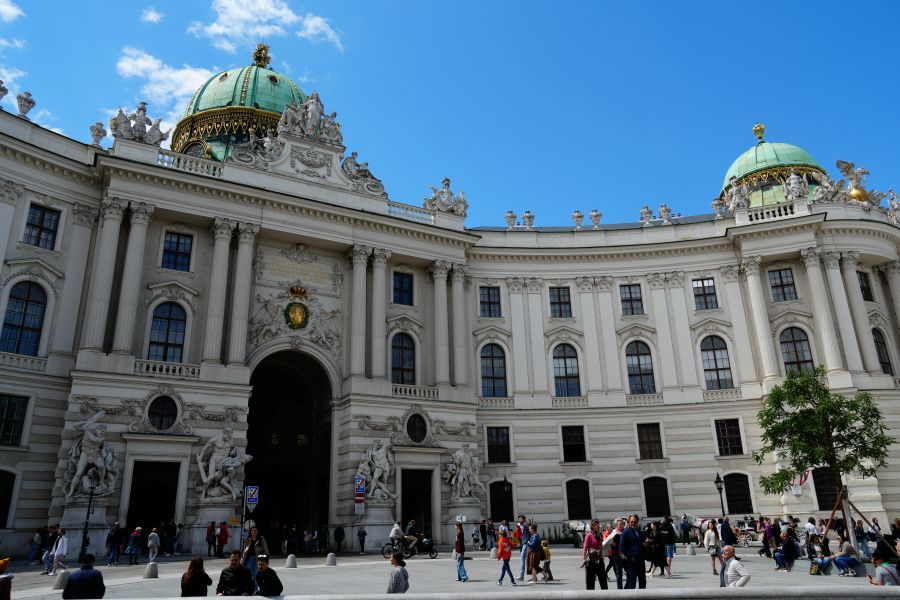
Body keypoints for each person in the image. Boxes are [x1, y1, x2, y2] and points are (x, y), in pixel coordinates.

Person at [621, 514, 646, 589]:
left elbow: (640, 545)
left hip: (640, 561)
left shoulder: (639, 532)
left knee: (642, 581)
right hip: (631, 561)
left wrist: (645, 544)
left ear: (637, 522)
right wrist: (629, 556)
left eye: (635, 522)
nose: (633, 523)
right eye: (631, 521)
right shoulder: (626, 532)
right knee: (631, 582)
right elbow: (622, 547)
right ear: (629, 522)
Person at [242, 526, 269, 591]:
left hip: (258, 560)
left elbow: (265, 549)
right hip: (249, 560)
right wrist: (243, 560)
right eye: (252, 531)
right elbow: (245, 551)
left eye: (255, 531)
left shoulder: (261, 538)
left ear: (257, 532)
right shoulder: (248, 540)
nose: (254, 532)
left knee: (256, 576)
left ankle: (256, 591)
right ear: (250, 532)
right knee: (250, 576)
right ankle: (250, 590)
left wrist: (266, 559)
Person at [582, 519, 607, 590]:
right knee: (590, 581)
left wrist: (602, 554)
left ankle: (606, 595)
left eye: (598, 524)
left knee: (603, 580)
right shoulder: (589, 535)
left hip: (599, 559)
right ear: (592, 526)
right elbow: (585, 547)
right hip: (591, 560)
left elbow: (601, 546)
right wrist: (584, 559)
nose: (598, 526)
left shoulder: (599, 535)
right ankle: (590, 596)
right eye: (596, 525)